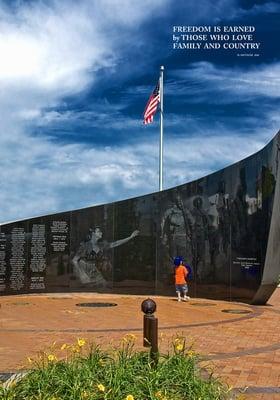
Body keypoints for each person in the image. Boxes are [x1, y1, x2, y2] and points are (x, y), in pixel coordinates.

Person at [72, 226, 139, 286]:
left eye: (101, 231)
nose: (101, 233)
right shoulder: (85, 245)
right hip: (82, 269)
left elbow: (116, 243)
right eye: (99, 231)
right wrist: (82, 274)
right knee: (88, 285)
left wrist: (130, 237)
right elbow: (74, 260)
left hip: (93, 269)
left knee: (104, 285)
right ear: (93, 233)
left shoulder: (101, 245)